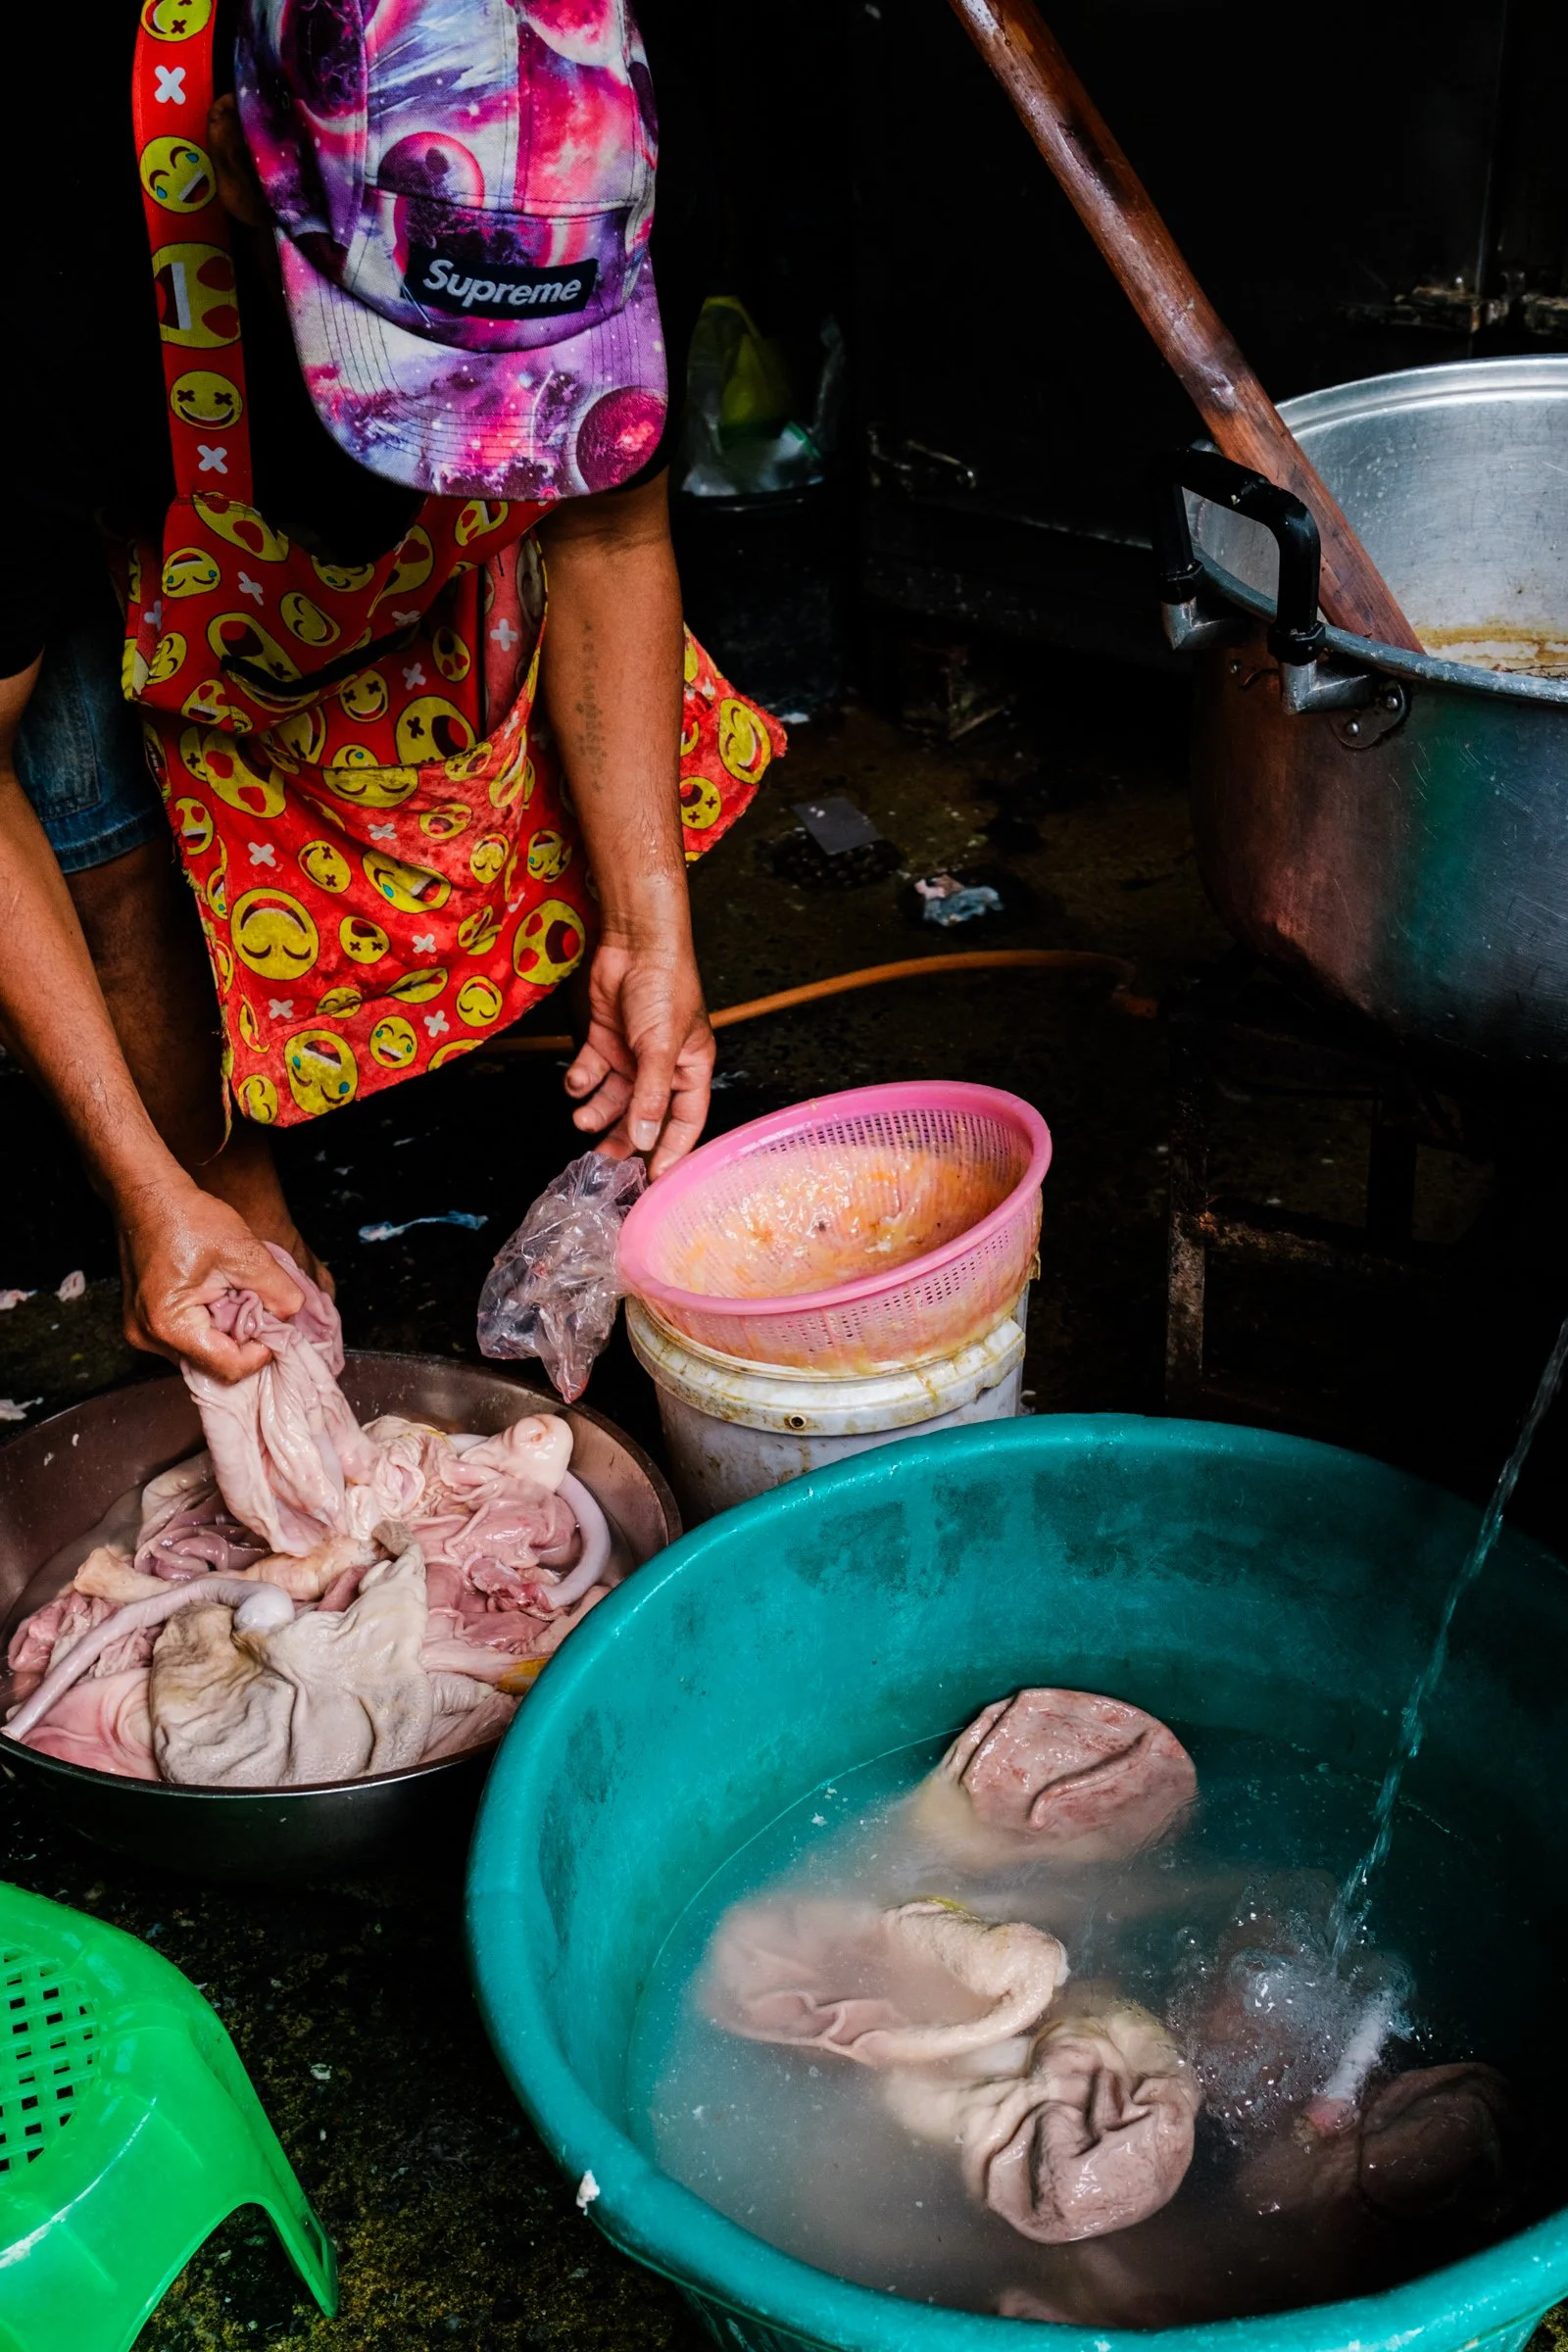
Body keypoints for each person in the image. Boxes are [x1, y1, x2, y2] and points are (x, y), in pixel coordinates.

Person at [0, 0, 773, 1383]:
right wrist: (144, 1186)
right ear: (238, 169)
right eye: (429, 370)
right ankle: (216, 1231)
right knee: (90, 809)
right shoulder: (46, 229)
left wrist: (657, 933)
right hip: (119, 467)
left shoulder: (612, 128)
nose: (470, 467)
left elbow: (603, 529)